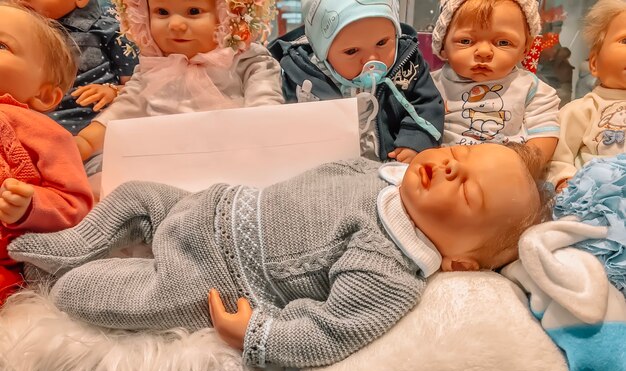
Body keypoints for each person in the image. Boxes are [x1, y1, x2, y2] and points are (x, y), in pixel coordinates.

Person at [10, 143, 545, 368]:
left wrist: (258, 334)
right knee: (134, 194)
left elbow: (333, 332)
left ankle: (58, 280)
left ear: (459, 263)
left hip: (210, 276)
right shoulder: (379, 175)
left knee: (91, 296)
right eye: (462, 152)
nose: (452, 166)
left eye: (469, 192)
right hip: (208, 204)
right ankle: (71, 245)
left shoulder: (390, 266)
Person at [73, 0, 284, 162]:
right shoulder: (153, 66)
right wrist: (86, 141)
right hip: (162, 161)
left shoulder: (246, 60)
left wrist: (261, 142)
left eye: (193, 11)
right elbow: (126, 106)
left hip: (230, 157)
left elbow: (264, 106)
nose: (175, 24)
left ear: (229, 15)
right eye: (162, 12)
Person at [268, 0, 444, 163]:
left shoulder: (408, 64)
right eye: (352, 51)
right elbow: (289, 127)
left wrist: (416, 140)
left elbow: (427, 103)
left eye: (382, 42)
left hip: (390, 164)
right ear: (323, 54)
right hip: (329, 168)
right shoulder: (303, 76)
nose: (371, 58)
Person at [0, 1, 94, 302]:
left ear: (44, 94)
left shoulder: (42, 131)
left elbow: (75, 204)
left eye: (1, 45)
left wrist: (29, 205)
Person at [430, 0, 560, 164]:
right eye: (466, 41)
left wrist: (522, 167)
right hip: (443, 169)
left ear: (525, 49)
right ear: (442, 45)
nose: (484, 52)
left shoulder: (532, 89)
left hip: (504, 171)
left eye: (503, 43)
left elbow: (544, 136)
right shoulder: (430, 85)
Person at [21, 0, 139, 138]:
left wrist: (113, 91)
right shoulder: (16, 29)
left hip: (91, 128)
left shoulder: (108, 29)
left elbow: (137, 85)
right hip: (28, 126)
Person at [548, 0, 626, 191]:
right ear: (594, 64)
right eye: (625, 40)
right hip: (596, 199)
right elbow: (557, 158)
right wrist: (564, 180)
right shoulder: (582, 110)